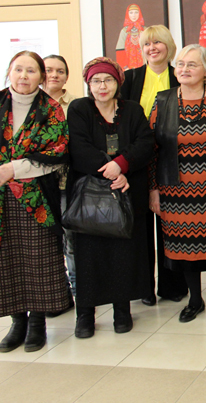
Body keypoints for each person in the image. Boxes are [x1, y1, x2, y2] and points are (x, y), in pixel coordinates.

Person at [0, 51, 70, 353]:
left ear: (41, 76)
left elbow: (58, 153)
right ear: (9, 72)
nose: (23, 76)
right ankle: (17, 322)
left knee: (38, 260)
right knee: (6, 261)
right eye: (18, 69)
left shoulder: (50, 108)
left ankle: (38, 324)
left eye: (31, 71)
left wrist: (14, 169)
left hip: (36, 197)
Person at [150, 45, 206, 323]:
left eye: (192, 64)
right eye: (180, 64)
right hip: (174, 190)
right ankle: (195, 300)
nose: (184, 69)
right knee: (185, 247)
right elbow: (152, 149)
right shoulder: (163, 100)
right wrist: (153, 190)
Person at [67, 57, 154, 337]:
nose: (102, 86)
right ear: (88, 84)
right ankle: (85, 315)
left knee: (123, 253)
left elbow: (145, 142)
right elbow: (78, 147)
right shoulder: (79, 108)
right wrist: (112, 170)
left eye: (107, 80)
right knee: (89, 256)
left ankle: (122, 310)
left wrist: (122, 165)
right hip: (89, 194)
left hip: (126, 192)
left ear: (118, 83)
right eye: (96, 81)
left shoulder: (132, 109)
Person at [120, 25, 188, 307]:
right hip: (138, 159)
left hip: (174, 158)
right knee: (141, 226)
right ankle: (144, 286)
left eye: (157, 42)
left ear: (168, 46)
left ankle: (172, 285)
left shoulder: (179, 75)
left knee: (172, 224)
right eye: (147, 44)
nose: (152, 48)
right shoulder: (131, 78)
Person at [42, 54, 77, 311]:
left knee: (71, 242)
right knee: (45, 242)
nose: (54, 75)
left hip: (67, 183)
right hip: (38, 186)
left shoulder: (75, 104)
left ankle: (78, 292)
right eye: (48, 70)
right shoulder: (30, 104)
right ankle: (57, 294)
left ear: (66, 76)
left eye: (60, 71)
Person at [116, 4, 145, 70]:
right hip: (128, 67)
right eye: (131, 13)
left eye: (136, 12)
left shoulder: (144, 30)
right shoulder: (124, 31)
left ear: (139, 14)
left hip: (144, 66)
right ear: (128, 14)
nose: (134, 15)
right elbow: (120, 50)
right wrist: (125, 67)